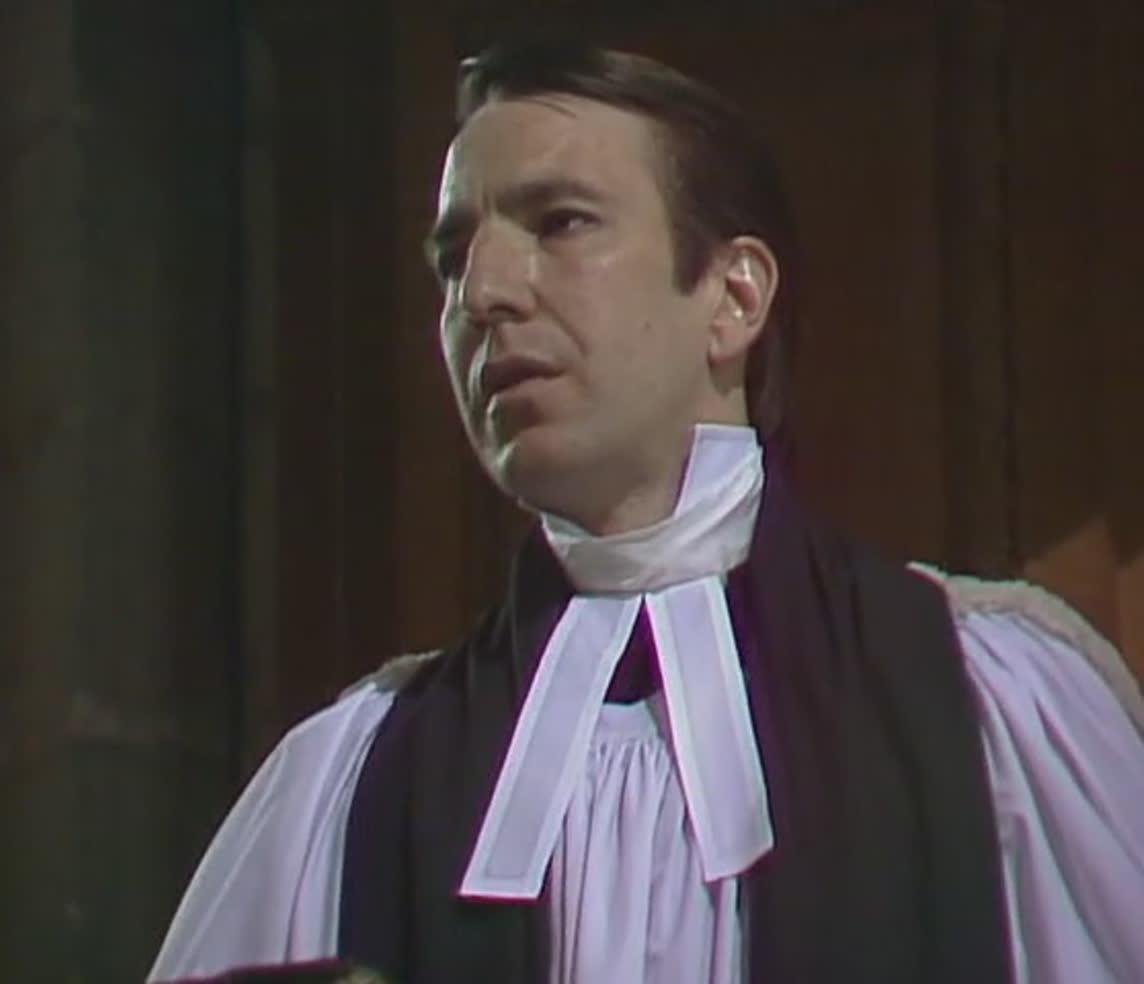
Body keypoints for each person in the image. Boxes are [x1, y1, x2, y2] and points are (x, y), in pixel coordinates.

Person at [149, 42, 1144, 984]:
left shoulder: (977, 702)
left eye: (559, 223)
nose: (482, 293)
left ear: (733, 297)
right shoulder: (355, 777)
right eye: (452, 258)